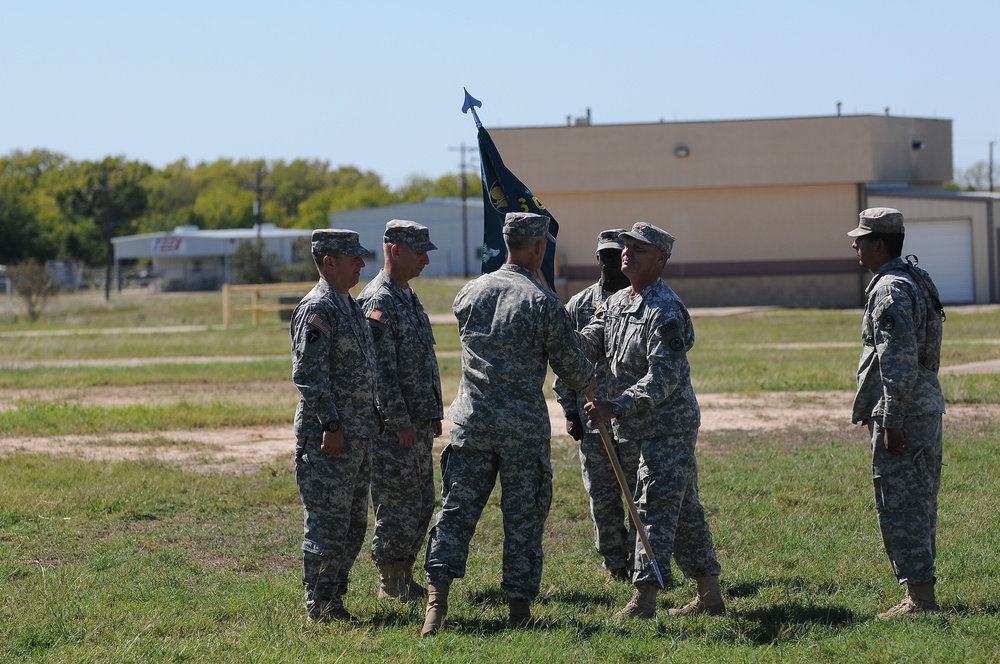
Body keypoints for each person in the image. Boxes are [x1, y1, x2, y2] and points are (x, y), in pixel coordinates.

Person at [421, 212, 595, 636]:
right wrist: (591, 381)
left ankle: (436, 605)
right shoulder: (542, 303)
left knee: (456, 513)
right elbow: (571, 367)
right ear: (538, 248)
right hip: (521, 429)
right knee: (522, 519)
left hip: (471, 423)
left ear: (505, 243)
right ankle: (518, 611)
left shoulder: (469, 294)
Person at [579, 221, 725, 620]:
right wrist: (557, 336)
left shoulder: (666, 310)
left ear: (660, 259)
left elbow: (665, 376)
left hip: (667, 425)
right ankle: (711, 598)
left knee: (653, 508)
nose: (626, 252)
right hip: (637, 427)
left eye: (639, 249)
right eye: (625, 245)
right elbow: (590, 340)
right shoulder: (618, 302)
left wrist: (617, 404)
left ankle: (643, 600)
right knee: (685, 512)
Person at [848, 207, 946, 619]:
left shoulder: (889, 289)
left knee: (901, 502)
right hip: (924, 405)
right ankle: (922, 592)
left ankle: (919, 600)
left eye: (861, 239)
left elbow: (898, 359)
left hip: (904, 410)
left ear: (880, 244)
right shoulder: (914, 278)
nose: (855, 245)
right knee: (919, 500)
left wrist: (890, 418)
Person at [290, 228, 380, 623]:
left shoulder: (348, 304)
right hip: (329, 435)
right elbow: (309, 375)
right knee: (327, 523)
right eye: (353, 257)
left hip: (359, 432)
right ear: (329, 262)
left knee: (352, 524)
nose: (361, 263)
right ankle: (320, 604)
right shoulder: (318, 308)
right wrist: (330, 423)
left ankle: (335, 597)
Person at [357, 220, 444, 602]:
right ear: (395, 250)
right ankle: (390, 583)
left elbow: (420, 360)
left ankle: (404, 574)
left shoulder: (405, 296)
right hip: (395, 427)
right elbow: (380, 373)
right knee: (397, 501)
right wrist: (399, 421)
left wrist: (431, 411)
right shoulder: (379, 299)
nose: (426, 259)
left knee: (421, 499)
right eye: (419, 251)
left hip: (417, 421)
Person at [554, 228, 639, 583]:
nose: (608, 261)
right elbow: (564, 361)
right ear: (597, 259)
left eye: (613, 254)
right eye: (602, 255)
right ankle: (615, 563)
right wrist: (570, 411)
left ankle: (641, 560)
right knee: (602, 495)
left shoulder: (640, 300)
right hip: (593, 420)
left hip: (634, 417)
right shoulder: (579, 305)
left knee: (639, 492)